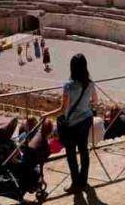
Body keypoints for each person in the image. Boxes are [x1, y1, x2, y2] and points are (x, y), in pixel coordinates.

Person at [46, 53, 98, 194]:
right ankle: (83, 181)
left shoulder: (68, 86)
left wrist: (47, 115)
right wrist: (84, 105)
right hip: (86, 119)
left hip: (72, 124)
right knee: (84, 150)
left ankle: (75, 184)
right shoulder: (90, 83)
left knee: (71, 153)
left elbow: (63, 109)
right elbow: (95, 101)